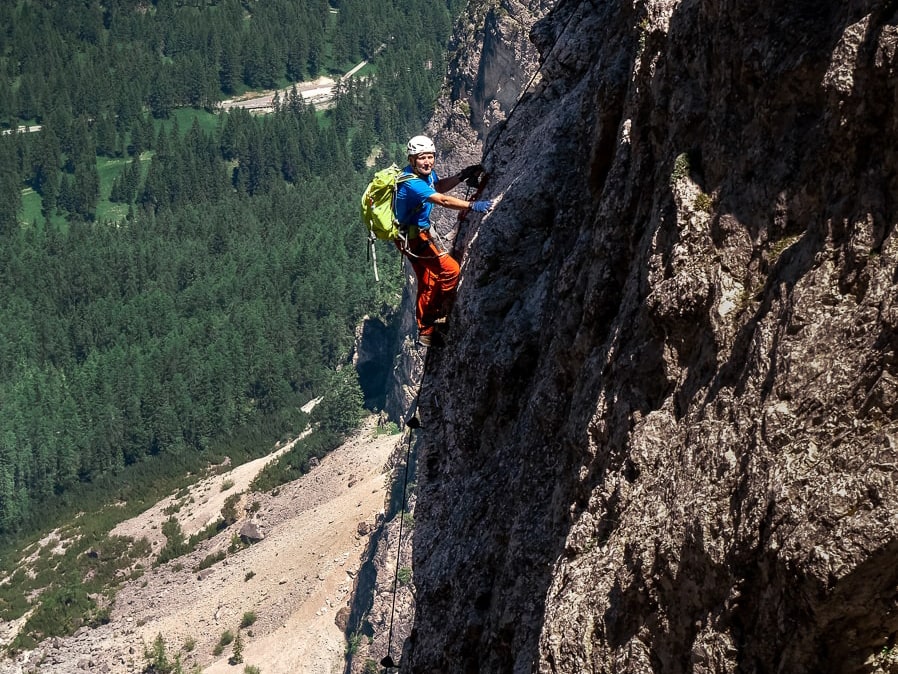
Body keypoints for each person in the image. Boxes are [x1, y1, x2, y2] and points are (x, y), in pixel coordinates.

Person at [395, 135, 493, 347]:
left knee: (428, 279)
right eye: (422, 158)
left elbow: (438, 187)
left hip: (410, 236)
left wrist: (460, 176)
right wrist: (472, 206)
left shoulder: (423, 176)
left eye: (430, 157)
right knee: (450, 271)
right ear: (412, 160)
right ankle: (439, 315)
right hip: (414, 238)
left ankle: (426, 331)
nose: (427, 162)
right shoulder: (411, 183)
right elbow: (443, 200)